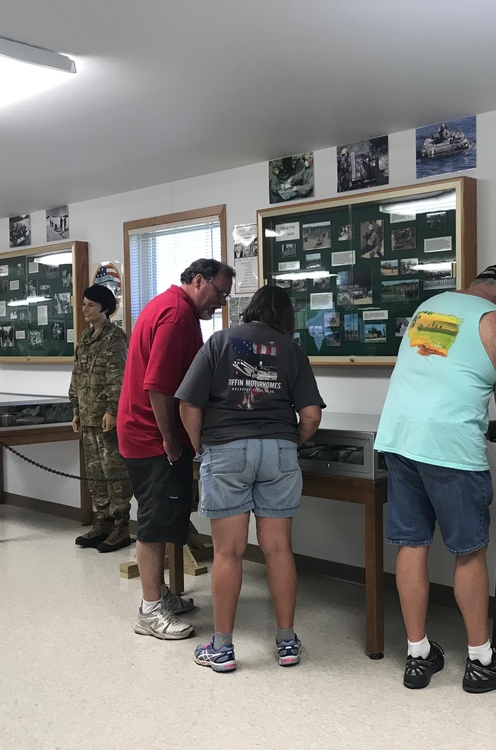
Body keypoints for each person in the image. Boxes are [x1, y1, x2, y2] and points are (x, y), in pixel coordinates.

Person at [375, 263, 496, 693]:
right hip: (450, 447)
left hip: (399, 437)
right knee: (469, 552)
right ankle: (482, 660)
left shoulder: (429, 308)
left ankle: (418, 654)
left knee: (412, 544)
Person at [177, 285, 324, 672]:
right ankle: (287, 643)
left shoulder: (219, 342)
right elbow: (310, 416)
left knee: (229, 553)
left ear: (251, 310)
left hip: (226, 448)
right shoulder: (292, 351)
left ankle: (222, 649)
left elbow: (189, 404)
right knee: (279, 551)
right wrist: (290, 440)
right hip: (278, 452)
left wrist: (200, 447)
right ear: (286, 318)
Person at [118, 258, 236, 640]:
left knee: (168, 517)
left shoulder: (171, 307)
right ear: (198, 281)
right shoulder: (175, 315)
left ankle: (160, 593)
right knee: (154, 523)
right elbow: (157, 386)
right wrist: (170, 440)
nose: (220, 303)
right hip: (151, 437)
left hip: (150, 434)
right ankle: (149, 610)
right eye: (218, 294)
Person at [69, 284, 133, 553]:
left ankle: (121, 524)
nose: (85, 310)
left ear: (104, 308)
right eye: (83, 304)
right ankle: (103, 519)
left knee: (114, 470)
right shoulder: (85, 339)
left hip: (106, 417)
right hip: (87, 415)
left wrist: (112, 411)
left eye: (90, 306)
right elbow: (77, 376)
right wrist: (75, 410)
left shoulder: (115, 337)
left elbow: (119, 377)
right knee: (95, 473)